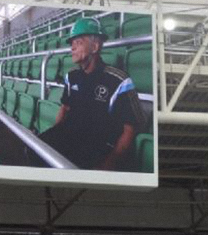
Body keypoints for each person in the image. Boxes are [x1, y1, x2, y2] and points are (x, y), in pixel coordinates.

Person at [38, 17, 146, 170]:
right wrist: (56, 133)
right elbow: (65, 108)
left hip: (96, 145)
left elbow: (130, 129)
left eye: (78, 42)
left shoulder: (119, 81)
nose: (72, 48)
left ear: (95, 47)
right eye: (72, 43)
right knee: (35, 149)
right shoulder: (72, 76)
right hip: (70, 135)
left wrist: (108, 164)